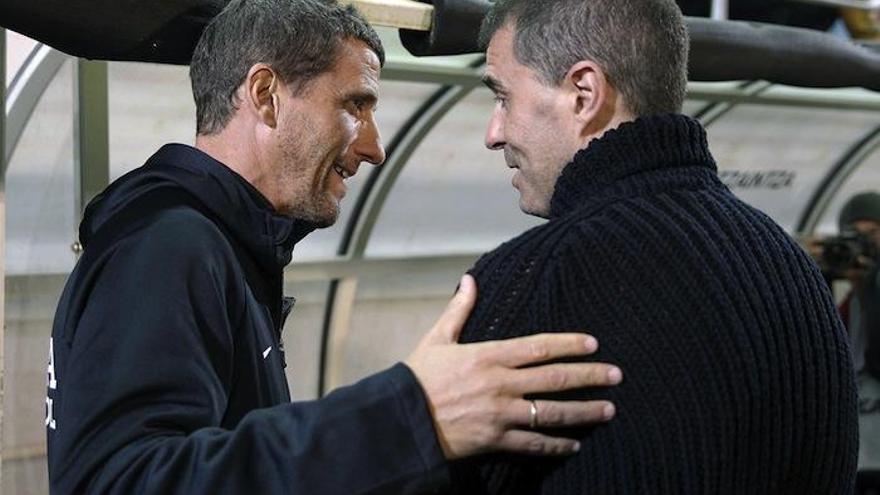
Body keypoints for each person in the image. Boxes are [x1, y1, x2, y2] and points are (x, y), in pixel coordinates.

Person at [44, 1, 625, 493]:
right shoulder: (166, 247)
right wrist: (410, 417)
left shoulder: (223, 247)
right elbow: (121, 479)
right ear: (266, 94)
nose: (374, 149)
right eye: (356, 105)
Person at [449, 0, 859, 493]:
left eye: (502, 98)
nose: (494, 135)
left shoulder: (535, 279)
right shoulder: (790, 264)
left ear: (583, 93)